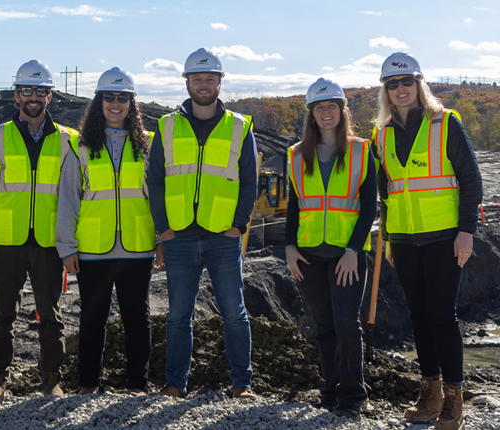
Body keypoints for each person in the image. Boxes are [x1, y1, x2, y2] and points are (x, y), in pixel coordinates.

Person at [375, 52, 482, 430]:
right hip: (403, 240)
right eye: (393, 84)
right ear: (385, 91)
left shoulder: (445, 122)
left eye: (406, 82)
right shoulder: (381, 133)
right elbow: (385, 192)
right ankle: (430, 391)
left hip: (443, 238)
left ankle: (454, 398)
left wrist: (466, 231)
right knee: (418, 317)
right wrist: (387, 238)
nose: (400, 89)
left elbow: (470, 180)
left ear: (419, 84)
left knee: (442, 316)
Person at [147, 48, 259, 398]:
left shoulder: (240, 127)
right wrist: (163, 229)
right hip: (179, 235)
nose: (204, 84)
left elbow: (249, 182)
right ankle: (175, 384)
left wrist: (238, 226)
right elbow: (156, 181)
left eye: (210, 78)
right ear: (187, 83)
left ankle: (242, 383)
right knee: (179, 316)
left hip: (223, 235)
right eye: (198, 79)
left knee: (234, 314)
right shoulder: (166, 126)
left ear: (220, 82)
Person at [56, 67, 161, 396]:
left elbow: (158, 197)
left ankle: (137, 386)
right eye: (109, 98)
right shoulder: (80, 146)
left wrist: (160, 240)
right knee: (92, 319)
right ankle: (88, 385)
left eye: (122, 98)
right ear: (99, 102)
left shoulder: (148, 145)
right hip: (93, 247)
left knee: (137, 319)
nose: (115, 104)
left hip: (137, 245)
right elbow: (69, 198)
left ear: (132, 104)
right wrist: (67, 247)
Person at [0, 60, 77, 398]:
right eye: (26, 90)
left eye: (40, 91)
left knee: (51, 314)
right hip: (9, 238)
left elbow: (72, 189)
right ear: (16, 95)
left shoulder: (69, 140)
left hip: (50, 240)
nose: (33, 97)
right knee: (2, 312)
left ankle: (52, 378)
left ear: (50, 96)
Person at [285, 78, 376, 421]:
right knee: (323, 325)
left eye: (332, 106)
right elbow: (294, 205)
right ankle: (330, 389)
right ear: (311, 113)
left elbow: (370, 206)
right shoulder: (295, 154)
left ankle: (353, 394)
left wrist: (354, 249)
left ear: (342, 110)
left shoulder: (361, 149)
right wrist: (290, 247)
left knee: (347, 324)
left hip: (346, 255)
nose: (326, 112)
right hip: (308, 255)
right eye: (319, 107)